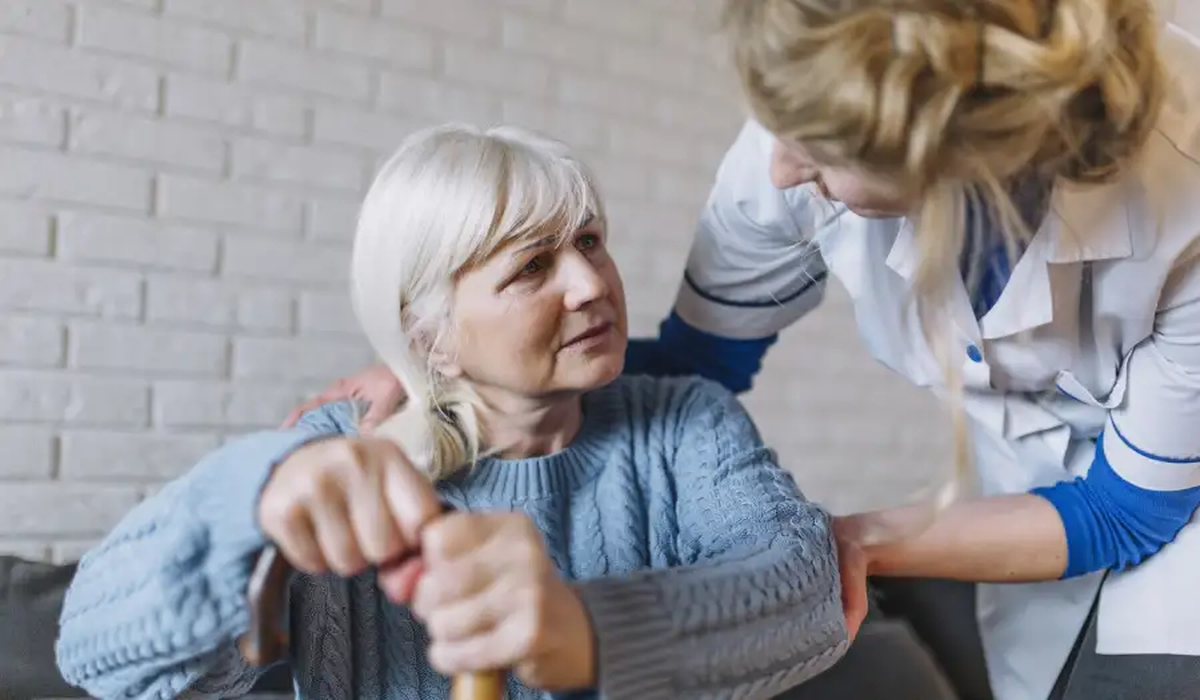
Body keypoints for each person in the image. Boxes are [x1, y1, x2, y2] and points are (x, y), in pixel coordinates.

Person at [286, 2, 1200, 699]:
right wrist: (446, 380)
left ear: (946, 156)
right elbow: (698, 362)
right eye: (529, 268)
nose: (780, 169)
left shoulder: (1184, 194)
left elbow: (1126, 511)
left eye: (591, 245)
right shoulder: (798, 124)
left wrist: (847, 543)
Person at [53, 124, 875, 700]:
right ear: (431, 337)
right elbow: (96, 656)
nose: (591, 284)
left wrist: (581, 627)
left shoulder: (683, 425)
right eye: (531, 268)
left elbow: (805, 591)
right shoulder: (340, 459)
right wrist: (244, 505)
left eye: (590, 241)